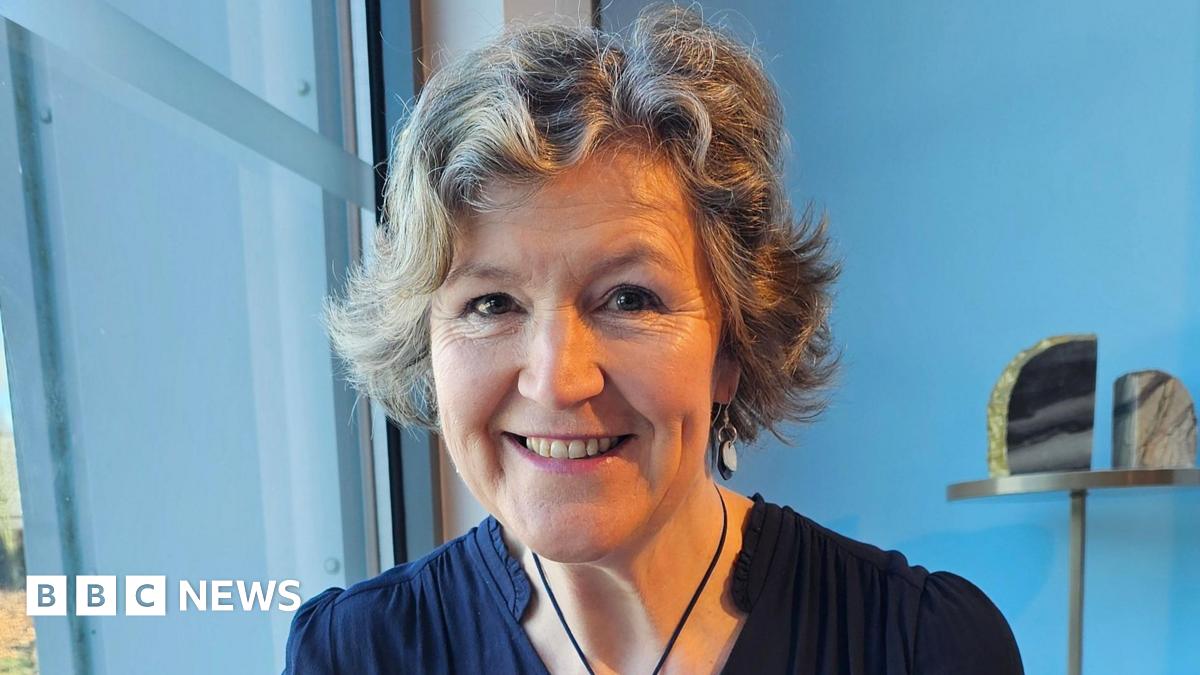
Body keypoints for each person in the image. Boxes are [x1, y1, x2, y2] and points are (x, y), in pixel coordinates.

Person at [283, 6, 1023, 674]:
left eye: (629, 298)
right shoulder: (354, 655)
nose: (557, 380)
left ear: (732, 346)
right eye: (492, 303)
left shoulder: (919, 647)